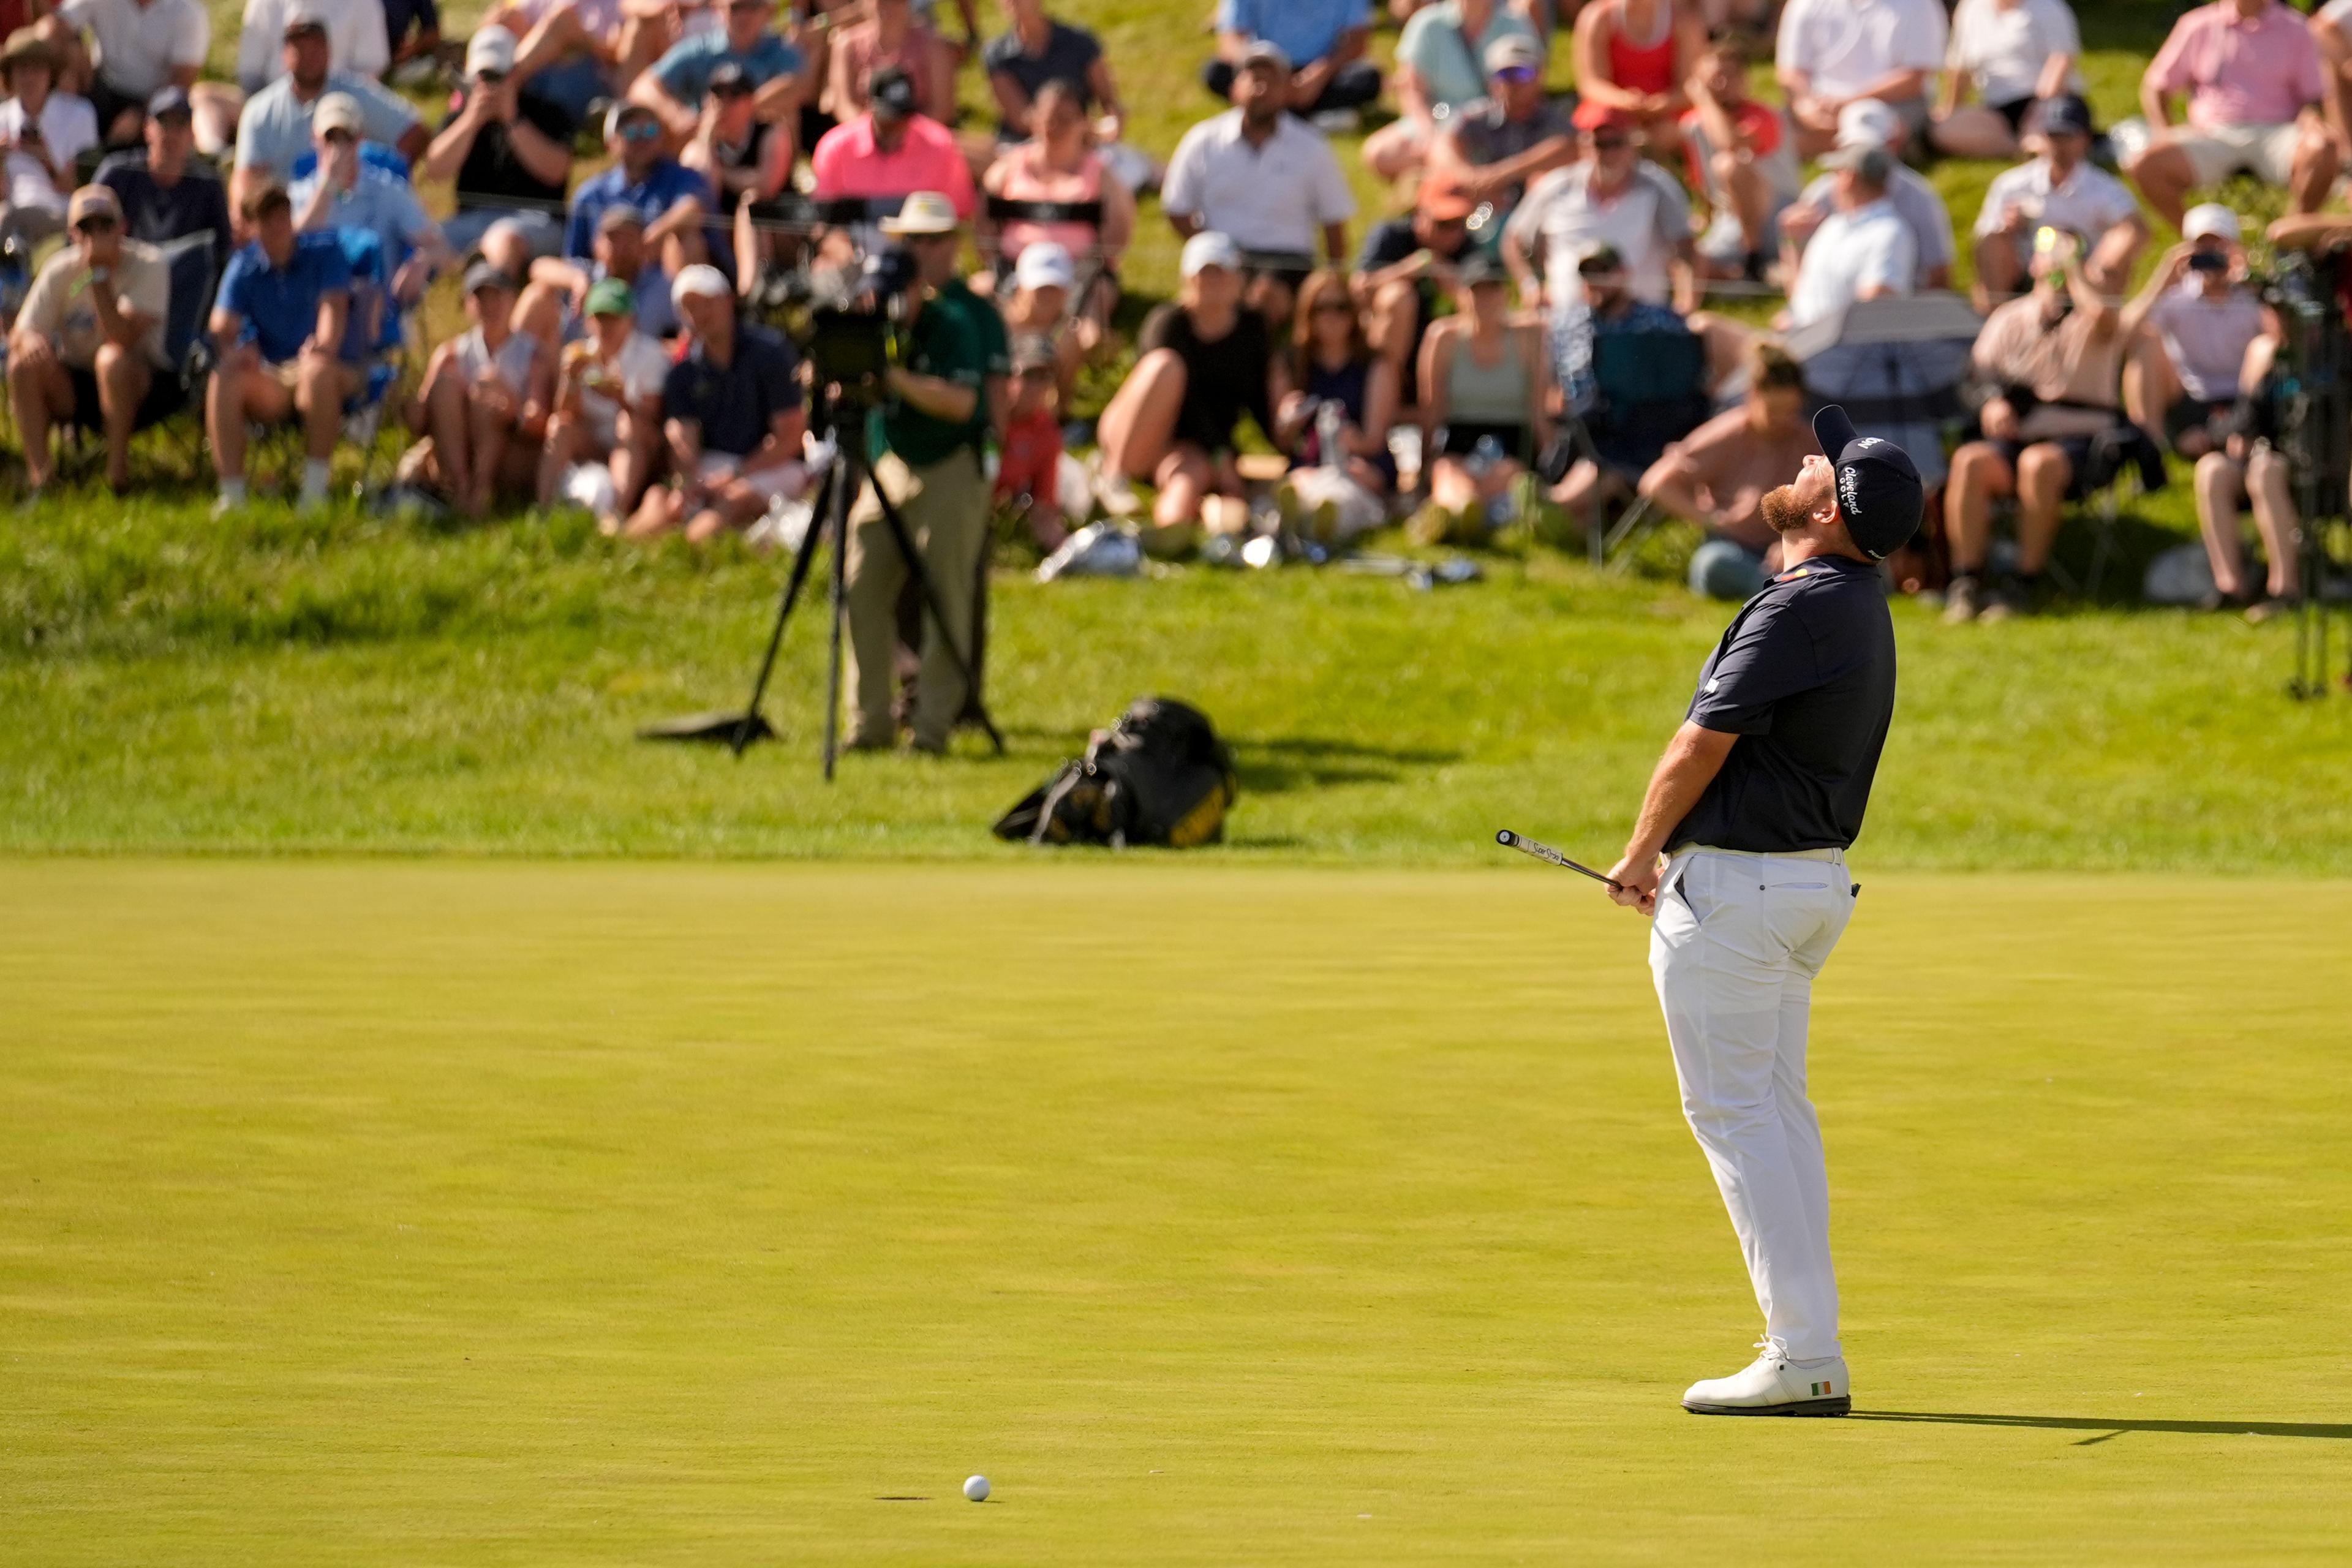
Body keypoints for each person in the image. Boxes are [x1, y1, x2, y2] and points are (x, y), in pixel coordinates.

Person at [1603, 406, 1919, 1419]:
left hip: (1741, 894)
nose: (1804, 457)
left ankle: (1803, 1355)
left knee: (1741, 1119)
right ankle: (1806, 1343)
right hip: (1800, 890)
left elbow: (1702, 742)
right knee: (1775, 1115)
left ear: (1827, 508)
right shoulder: (1854, 598)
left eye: (1820, 461)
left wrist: (1641, 853)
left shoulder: (1796, 607)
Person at [842, 191, 1004, 753]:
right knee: (860, 585)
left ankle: (933, 729)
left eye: (933, 239)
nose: (886, 306)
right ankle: (869, 723)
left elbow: (965, 402)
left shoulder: (958, 318)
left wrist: (892, 379)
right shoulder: (872, 321)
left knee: (947, 597)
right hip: (894, 462)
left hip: (952, 461)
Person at [1942, 227, 2126, 623]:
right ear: (2033, 261)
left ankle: (2023, 585)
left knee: (2038, 464)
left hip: (2079, 443)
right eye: (2049, 250)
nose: (2056, 260)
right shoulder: (2011, 316)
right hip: (2015, 437)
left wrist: (2074, 273)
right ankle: (1967, 582)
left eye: (2067, 253)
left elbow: (2107, 321)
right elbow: (1975, 376)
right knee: (1971, 460)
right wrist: (1992, 401)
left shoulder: (2094, 315)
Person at [1097, 229, 1286, 532]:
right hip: (1139, 433)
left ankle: (1175, 535)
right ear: (1188, 279)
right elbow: (1188, 400)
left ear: (1239, 278)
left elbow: (1257, 397)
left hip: (1192, 448)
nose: (1213, 281)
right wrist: (1221, 454)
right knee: (1165, 366)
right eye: (1205, 273)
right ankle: (1112, 475)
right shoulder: (1168, 324)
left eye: (1221, 272)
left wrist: (1289, 446)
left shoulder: (1253, 329)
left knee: (1186, 480)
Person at [1161, 42, 1356, 326]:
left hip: (1288, 260)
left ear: (1287, 90)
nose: (1261, 89)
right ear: (1234, 88)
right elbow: (1177, 207)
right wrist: (1207, 247)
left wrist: (1335, 279)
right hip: (1224, 256)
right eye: (1254, 79)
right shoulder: (1203, 141)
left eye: (1271, 80)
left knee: (1264, 299)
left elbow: (1334, 219)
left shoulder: (1312, 147)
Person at [206, 181, 362, 512]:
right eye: (266, 217)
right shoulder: (243, 267)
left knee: (317, 371)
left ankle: (315, 494)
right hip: (275, 375)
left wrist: (322, 345)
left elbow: (333, 312)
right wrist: (239, 349)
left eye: (283, 214)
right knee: (224, 377)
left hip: (334, 369)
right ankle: (233, 498)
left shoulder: (325, 252)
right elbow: (222, 326)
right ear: (251, 226)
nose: (278, 224)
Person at [625, 262, 807, 541]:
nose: (701, 313)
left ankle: (686, 550)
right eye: (691, 306)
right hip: (715, 465)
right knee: (660, 498)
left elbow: (790, 436)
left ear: (729, 301)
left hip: (775, 464)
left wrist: (735, 473)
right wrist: (687, 482)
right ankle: (620, 550)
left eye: (708, 301)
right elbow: (683, 438)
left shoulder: (770, 352)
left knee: (735, 500)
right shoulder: (683, 372)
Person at [8, 183, 171, 493]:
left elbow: (122, 336)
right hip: (77, 382)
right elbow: (23, 329)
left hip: (140, 383)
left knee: (112, 359)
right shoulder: (59, 271)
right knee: (22, 365)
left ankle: (117, 476)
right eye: (86, 228)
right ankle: (42, 479)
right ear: (73, 235)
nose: (95, 235)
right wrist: (29, 342)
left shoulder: (150, 264)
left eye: (105, 225)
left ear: (122, 228)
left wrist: (97, 277)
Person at [2129, 0, 2334, 232]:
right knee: (2146, 164)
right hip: (2213, 134)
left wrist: (2313, 122)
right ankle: (2204, 244)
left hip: (2278, 132)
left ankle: (2292, 239)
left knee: (2324, 147)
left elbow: (2314, 97)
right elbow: (2157, 85)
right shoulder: (2198, 24)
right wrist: (2163, 131)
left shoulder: (2296, 28)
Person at [1638, 341, 1820, 598]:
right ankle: (1784, 593)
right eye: (1773, 412)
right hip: (1734, 549)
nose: (1783, 421)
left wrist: (1794, 544)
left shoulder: (1806, 440)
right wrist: (1712, 520)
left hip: (1788, 550)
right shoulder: (1728, 432)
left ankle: (1783, 591)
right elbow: (1657, 482)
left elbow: (1822, 504)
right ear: (1753, 395)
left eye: (1790, 412)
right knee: (1712, 564)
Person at [1547, 239, 1694, 531]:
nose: (1595, 282)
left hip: (1638, 428)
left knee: (1607, 466)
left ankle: (1551, 508)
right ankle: (1560, 516)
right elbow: (1556, 388)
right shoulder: (1569, 323)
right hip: (1581, 428)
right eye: (1588, 275)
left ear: (1623, 274)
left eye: (1604, 272)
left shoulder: (1659, 322)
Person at [232, 7, 425, 221]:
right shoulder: (260, 112)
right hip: (288, 223)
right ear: (285, 53)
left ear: (329, 50)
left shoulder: (357, 94)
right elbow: (247, 182)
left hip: (353, 217)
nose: (309, 56)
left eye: (316, 47)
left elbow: (414, 132)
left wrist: (382, 179)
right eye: (300, 48)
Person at [1503, 104, 1695, 315]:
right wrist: (1530, 286)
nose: (1609, 153)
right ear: (1584, 145)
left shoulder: (1657, 188)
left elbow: (1685, 248)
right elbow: (1514, 239)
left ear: (1632, 144)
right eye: (1600, 144)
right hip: (1564, 319)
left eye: (1617, 143)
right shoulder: (1555, 187)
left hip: (1641, 322)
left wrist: (1684, 302)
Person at [2119, 207, 2274, 462]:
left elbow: (2281, 339)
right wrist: (2162, 281)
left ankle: (2237, 436)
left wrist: (2253, 281)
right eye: (2202, 247)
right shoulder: (2176, 297)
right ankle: (2151, 453)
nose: (2210, 256)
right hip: (2191, 398)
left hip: (2244, 400)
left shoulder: (2252, 296)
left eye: (2219, 246)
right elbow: (2122, 338)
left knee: (2265, 347)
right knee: (2146, 343)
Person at [978, 75, 1132, 331]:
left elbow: (1116, 239)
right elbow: (984, 227)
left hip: (1079, 279)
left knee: (1093, 314)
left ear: (1084, 123)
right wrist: (1001, 271)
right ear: (1034, 118)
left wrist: (1086, 273)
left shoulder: (1102, 176)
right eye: (1050, 118)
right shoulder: (1006, 169)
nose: (1056, 127)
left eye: (1066, 119)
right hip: (1014, 276)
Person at [1414, 251, 1547, 543]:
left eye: (1493, 289)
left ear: (1505, 293)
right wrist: (1424, 465)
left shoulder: (1530, 337)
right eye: (1477, 291)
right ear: (1463, 294)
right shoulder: (1444, 338)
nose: (1485, 299)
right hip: (1459, 436)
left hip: (1512, 438)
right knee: (1447, 472)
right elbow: (1432, 408)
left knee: (1508, 474)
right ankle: (1465, 513)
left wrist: (1553, 464)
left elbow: (1539, 407)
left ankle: (1457, 515)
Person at [400, 262, 551, 516]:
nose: (489, 306)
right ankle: (461, 488)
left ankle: (480, 489)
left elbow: (541, 421)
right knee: (447, 386)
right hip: (459, 448)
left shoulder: (533, 354)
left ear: (512, 300)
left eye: (497, 297)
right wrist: (404, 398)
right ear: (469, 305)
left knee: (488, 386)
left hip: (512, 453)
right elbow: (420, 419)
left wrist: (512, 411)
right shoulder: (450, 353)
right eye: (481, 298)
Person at [1969, 94, 2142, 311]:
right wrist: (2007, 229)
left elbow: (2135, 229)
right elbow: (1985, 238)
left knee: (2124, 239)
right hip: (2023, 279)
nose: (2059, 145)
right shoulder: (2012, 185)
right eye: (2053, 136)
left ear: (2086, 138)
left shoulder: (2106, 189)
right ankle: (1997, 321)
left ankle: (2099, 321)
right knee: (1992, 241)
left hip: (2084, 281)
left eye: (2067, 136)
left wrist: (2103, 261)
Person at [420, 28, 573, 262]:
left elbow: (557, 171)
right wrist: (472, 120)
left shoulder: (546, 112)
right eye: (483, 76)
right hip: (472, 220)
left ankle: (492, 285)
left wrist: (513, 120)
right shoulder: (461, 118)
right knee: (421, 244)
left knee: (503, 240)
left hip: (536, 220)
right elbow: (435, 170)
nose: (489, 85)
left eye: (497, 76)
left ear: (515, 73)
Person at [291, 91, 450, 306]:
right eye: (331, 138)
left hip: (374, 315)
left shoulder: (388, 190)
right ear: (315, 140)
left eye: (346, 138)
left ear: (360, 140)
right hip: (314, 307)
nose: (339, 149)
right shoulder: (298, 194)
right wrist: (328, 185)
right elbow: (290, 248)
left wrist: (424, 260)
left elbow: (444, 250)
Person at [1274, 266, 1397, 543]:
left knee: (1348, 479)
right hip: (1311, 463)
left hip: (1363, 462)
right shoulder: (1292, 363)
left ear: (1353, 313)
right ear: (1308, 313)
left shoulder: (1376, 365)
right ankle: (1317, 518)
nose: (1331, 317)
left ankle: (1321, 519)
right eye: (1322, 308)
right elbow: (1283, 442)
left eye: (1340, 307)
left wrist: (1349, 442)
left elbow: (1374, 441)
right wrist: (1288, 421)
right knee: (1303, 480)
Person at [1779, 100, 1952, 293]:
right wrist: (1792, 241)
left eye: (1871, 152)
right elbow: (1802, 283)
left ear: (1894, 144)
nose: (1860, 164)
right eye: (1854, 150)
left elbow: (1938, 274)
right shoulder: (1819, 194)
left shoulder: (1920, 199)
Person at [536, 276, 667, 527]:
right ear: (588, 321)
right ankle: (544, 511)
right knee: (559, 426)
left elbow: (653, 417)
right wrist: (571, 380)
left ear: (631, 320)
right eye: (599, 317)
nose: (606, 326)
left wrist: (621, 399)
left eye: (614, 317)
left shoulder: (652, 356)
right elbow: (565, 413)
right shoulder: (578, 354)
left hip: (640, 446)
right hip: (595, 443)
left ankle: (617, 511)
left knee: (628, 423)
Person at [1363, 0, 1539, 180]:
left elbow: (1530, 86)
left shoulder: (1516, 23)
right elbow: (1413, 90)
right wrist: (1429, 134)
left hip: (1495, 127)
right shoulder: (1427, 23)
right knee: (1381, 152)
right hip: (1437, 124)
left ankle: (1446, 185)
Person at [1354, 170, 1478, 419]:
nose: (1454, 233)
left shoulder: (1470, 249)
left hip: (1443, 358)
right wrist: (1408, 271)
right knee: (1398, 297)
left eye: (1460, 224)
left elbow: (1487, 313)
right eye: (1444, 224)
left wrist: (1452, 284)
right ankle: (1386, 402)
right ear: (1421, 214)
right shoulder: (1392, 235)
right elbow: (1358, 291)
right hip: (1386, 350)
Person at [1681, 30, 1797, 286]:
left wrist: (1703, 99)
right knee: (1683, 259)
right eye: (1714, 78)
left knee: (1730, 166)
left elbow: (1730, 143)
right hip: (1731, 223)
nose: (1722, 85)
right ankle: (1747, 277)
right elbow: (1706, 186)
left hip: (1778, 218)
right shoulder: (1694, 127)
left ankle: (1754, 257)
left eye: (1730, 76)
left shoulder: (1765, 117)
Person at [1423, 33, 1573, 221]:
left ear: (1539, 76)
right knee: (1439, 184)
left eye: (1522, 73)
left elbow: (1571, 148)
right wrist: (1471, 179)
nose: (1514, 83)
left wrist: (1501, 175)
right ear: (1492, 80)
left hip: (1535, 215)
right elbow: (1442, 145)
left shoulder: (1555, 120)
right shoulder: (1478, 115)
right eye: (1505, 74)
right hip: (1479, 210)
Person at [1775, 0, 1946, 158]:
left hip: (1890, 104)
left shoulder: (1919, 4)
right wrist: (1804, 105)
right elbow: (1791, 71)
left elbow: (1913, 79)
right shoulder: (1805, 3)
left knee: (1872, 123)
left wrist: (1848, 104)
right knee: (1766, 128)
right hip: (1821, 106)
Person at [809, 65, 974, 225]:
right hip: (855, 246)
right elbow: (824, 219)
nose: (898, 125)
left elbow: (959, 215)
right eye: (889, 118)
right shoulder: (836, 148)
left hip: (920, 248)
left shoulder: (940, 145)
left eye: (904, 115)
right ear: (870, 104)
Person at [96, 86, 232, 277]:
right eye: (164, 122)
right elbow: (82, 234)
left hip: (183, 288)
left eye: (181, 123)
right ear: (147, 130)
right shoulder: (117, 173)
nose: (172, 133)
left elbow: (222, 252)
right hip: (123, 278)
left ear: (192, 134)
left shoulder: (208, 185)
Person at [563, 99, 712, 273]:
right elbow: (574, 260)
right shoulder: (591, 194)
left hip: (662, 280)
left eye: (650, 130)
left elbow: (692, 208)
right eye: (631, 132)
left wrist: (656, 234)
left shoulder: (682, 176)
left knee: (687, 241)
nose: (642, 139)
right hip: (609, 283)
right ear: (611, 143)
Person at [518, 203, 678, 360]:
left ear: (644, 244)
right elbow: (539, 267)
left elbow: (683, 332)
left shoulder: (661, 286)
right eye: (613, 239)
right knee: (537, 293)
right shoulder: (586, 273)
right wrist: (577, 281)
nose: (620, 248)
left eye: (629, 239)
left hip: (637, 375)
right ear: (597, 244)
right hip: (575, 370)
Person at [630, 0, 802, 145]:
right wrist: (677, 115)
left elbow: (798, 85)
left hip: (759, 150)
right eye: (736, 7)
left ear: (767, 12)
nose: (744, 15)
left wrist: (740, 111)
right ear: (718, 9)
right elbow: (643, 87)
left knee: (786, 115)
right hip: (706, 144)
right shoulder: (699, 50)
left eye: (752, 6)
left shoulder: (782, 51)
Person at [35, 0, 206, 146]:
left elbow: (181, 81)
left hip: (152, 101)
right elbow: (53, 26)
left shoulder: (188, 13)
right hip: (100, 89)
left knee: (169, 120)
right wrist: (69, 61)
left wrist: (141, 115)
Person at [1930, 0, 2083, 159]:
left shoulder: (2049, 8)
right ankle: (2022, 148)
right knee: (1942, 132)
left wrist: (2038, 113)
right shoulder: (1971, 8)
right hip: (1999, 109)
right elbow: (1960, 67)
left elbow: (2060, 61)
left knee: (2048, 133)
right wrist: (1950, 110)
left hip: (2051, 102)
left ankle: (2052, 144)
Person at [1782, 148, 1914, 331]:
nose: (1830, 184)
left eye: (1835, 174)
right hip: (1808, 340)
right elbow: (1801, 295)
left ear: (1849, 178)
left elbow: (1876, 307)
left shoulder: (1889, 233)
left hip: (1839, 350)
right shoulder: (1833, 226)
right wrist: (1792, 242)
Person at [1201, 0, 1381, 124]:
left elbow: (1357, 42)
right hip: (1264, 67)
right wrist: (1256, 75)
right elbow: (1230, 39)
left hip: (1320, 71)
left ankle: (1267, 109)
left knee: (1367, 79)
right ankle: (1314, 118)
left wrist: (1318, 75)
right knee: (1216, 73)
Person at [0, 29, 97, 251]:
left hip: (61, 213)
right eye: (22, 70)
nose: (29, 79)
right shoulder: (2, 118)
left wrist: (45, 159)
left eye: (37, 70)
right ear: (10, 76)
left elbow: (81, 189)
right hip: (10, 217)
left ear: (51, 74)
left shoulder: (79, 114)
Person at [1569, 0, 1704, 156]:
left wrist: (1661, 104)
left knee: (1695, 125)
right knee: (1598, 122)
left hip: (1668, 114)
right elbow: (1591, 84)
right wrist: (1625, 100)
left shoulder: (1684, 20)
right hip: (1614, 109)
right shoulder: (1599, 17)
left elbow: (1691, 86)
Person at [492, 0, 652, 128]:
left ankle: (498, 86)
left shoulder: (618, 5)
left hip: (593, 81)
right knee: (503, 23)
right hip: (540, 78)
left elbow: (625, 55)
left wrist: (581, 40)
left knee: (563, 21)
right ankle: (496, 85)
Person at [982, 0, 1121, 144]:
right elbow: (1022, 120)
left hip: (1081, 143)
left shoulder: (1080, 42)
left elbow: (1109, 101)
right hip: (1024, 145)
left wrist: (1114, 123)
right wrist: (1088, 130)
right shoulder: (997, 54)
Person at [824, 0, 952, 124]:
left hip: (920, 135)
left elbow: (941, 108)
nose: (889, 5)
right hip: (862, 136)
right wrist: (871, 136)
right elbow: (843, 104)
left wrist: (904, 137)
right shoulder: (847, 45)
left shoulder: (933, 45)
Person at [993, 334, 1066, 550]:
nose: (1037, 386)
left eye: (1046, 377)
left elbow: (1044, 502)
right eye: (1029, 375)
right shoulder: (985, 414)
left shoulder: (1047, 433)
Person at [238, 0, 387, 91]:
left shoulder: (362, 2)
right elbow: (251, 73)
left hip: (341, 111)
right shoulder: (263, 3)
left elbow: (369, 70)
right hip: (274, 108)